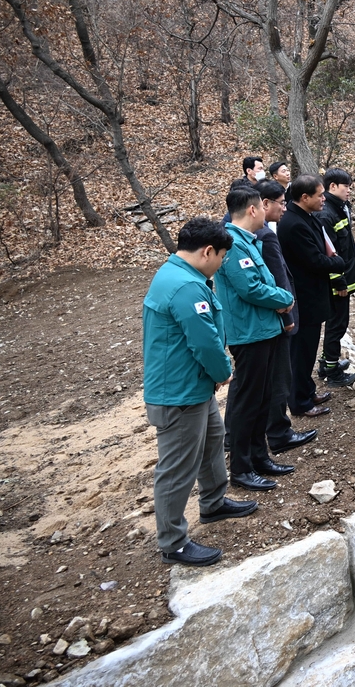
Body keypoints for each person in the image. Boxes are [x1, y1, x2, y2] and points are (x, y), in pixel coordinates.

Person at [142, 217, 256, 567]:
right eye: (221, 256)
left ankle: (214, 502)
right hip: (179, 392)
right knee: (177, 467)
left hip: (193, 386)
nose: (222, 264)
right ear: (208, 251)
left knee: (211, 441)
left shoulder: (181, 275)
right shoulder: (186, 287)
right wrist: (223, 372)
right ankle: (173, 542)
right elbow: (204, 341)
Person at [217, 187, 296, 491]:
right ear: (252, 210)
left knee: (262, 399)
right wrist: (284, 297)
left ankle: (260, 457)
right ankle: (241, 467)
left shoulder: (248, 242)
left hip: (265, 329)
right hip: (249, 334)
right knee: (248, 402)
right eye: (262, 208)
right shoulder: (234, 245)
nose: (267, 212)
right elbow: (250, 288)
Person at [256, 180, 324, 459]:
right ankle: (281, 427)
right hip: (285, 311)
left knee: (290, 367)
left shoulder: (272, 229)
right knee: (280, 374)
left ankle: (282, 424)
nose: (283, 207)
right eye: (279, 203)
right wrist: (286, 307)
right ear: (262, 205)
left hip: (292, 308)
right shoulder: (269, 234)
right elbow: (270, 280)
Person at [279, 175, 353, 417]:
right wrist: (339, 263)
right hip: (305, 297)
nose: (324, 199)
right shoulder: (294, 224)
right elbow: (315, 260)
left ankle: (307, 390)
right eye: (319, 195)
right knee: (301, 352)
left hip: (313, 295)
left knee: (309, 349)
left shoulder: (306, 216)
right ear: (304, 197)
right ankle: (300, 402)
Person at [316, 168, 355, 386]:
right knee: (337, 324)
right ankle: (332, 371)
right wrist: (339, 281)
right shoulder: (327, 214)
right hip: (337, 282)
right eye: (346, 187)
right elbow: (330, 251)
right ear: (333, 187)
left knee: (339, 323)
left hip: (346, 273)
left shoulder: (340, 208)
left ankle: (328, 362)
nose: (349, 191)